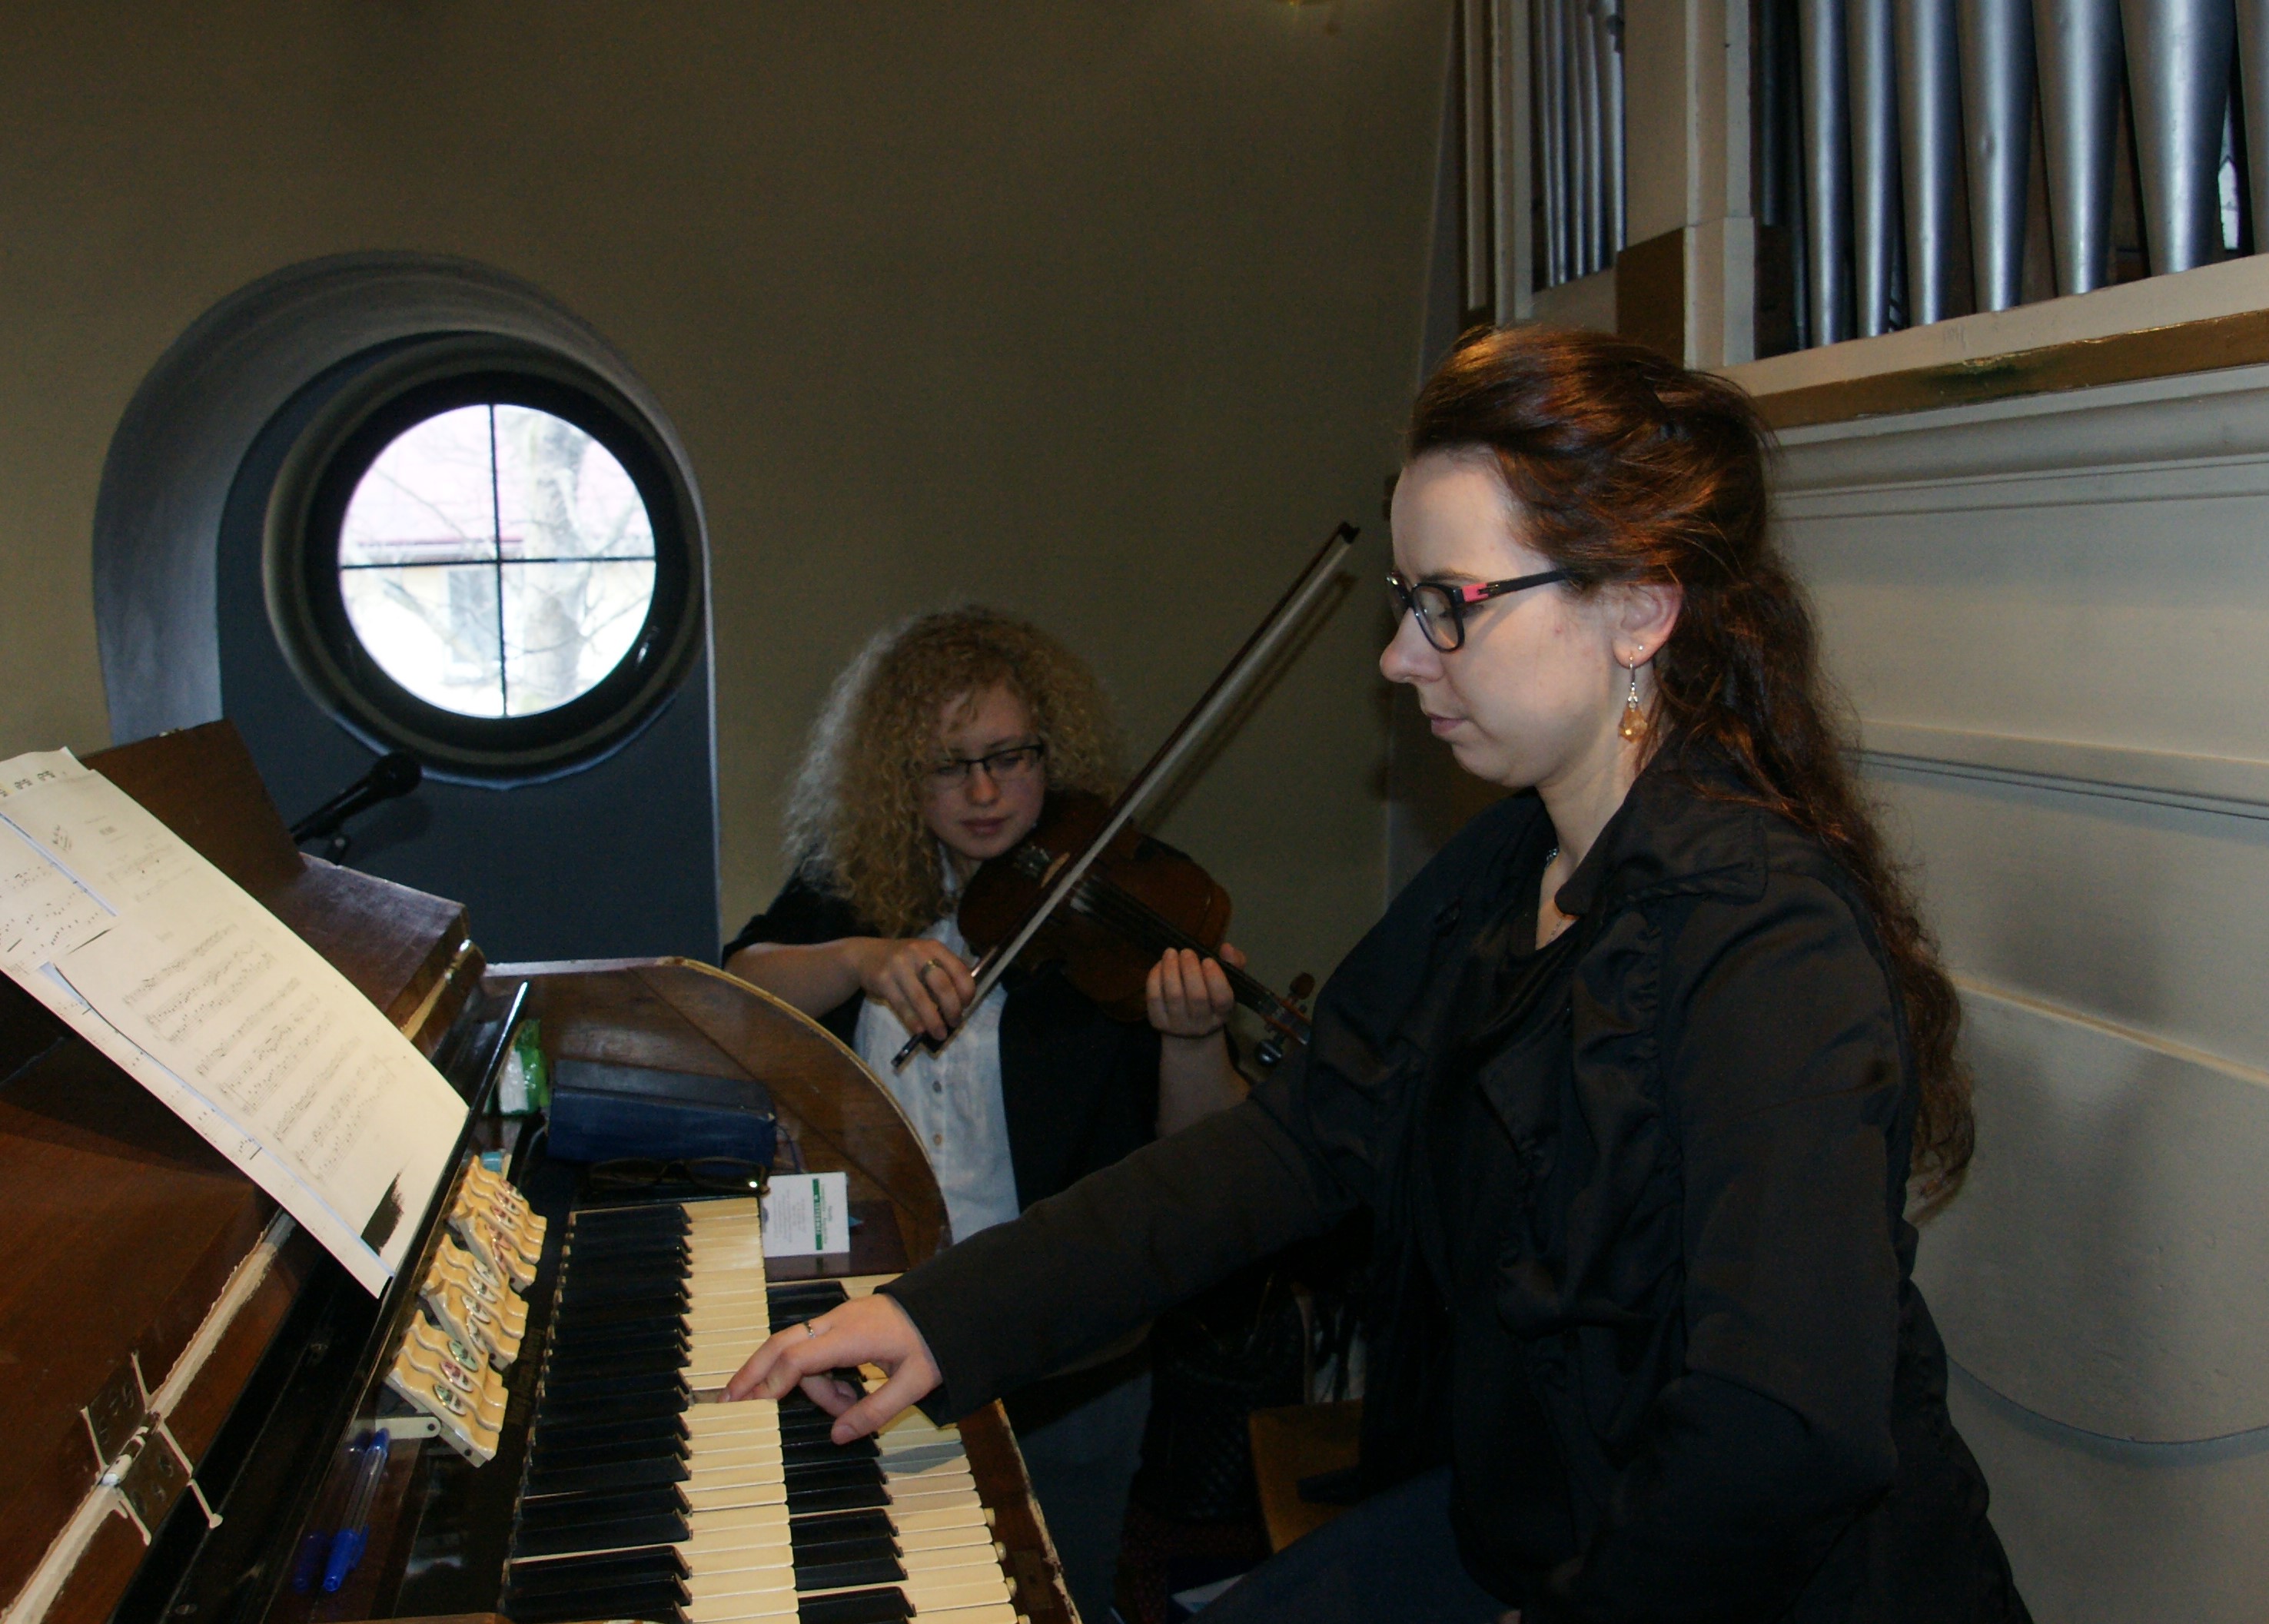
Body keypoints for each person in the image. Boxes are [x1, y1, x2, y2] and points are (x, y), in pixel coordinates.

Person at [726, 327, 2031, 1622]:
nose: (1401, 657)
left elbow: (1780, 1431)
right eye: (1407, 602)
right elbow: (1289, 1145)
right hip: (1522, 1529)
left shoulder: (1769, 940)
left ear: (1639, 605)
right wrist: (947, 1318)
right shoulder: (1498, 877)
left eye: (1449, 602)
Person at [722, 606, 1246, 1622]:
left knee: (1057, 1586)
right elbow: (740, 988)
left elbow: (1200, 1161)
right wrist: (860, 958)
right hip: (873, 1312)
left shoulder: (1119, 897)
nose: (985, 792)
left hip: (1064, 1337)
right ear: (897, 775)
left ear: (1051, 752)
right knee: (890, 1584)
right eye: (948, 766)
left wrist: (1193, 1040)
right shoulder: (855, 887)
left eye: (1010, 757)